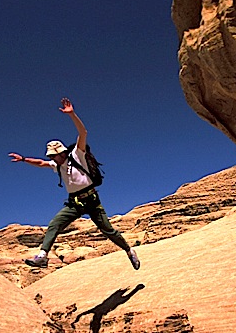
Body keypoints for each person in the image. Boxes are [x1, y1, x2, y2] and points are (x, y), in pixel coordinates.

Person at [8, 97, 140, 270]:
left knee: (108, 230)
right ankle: (42, 256)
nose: (51, 159)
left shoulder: (77, 155)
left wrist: (72, 114)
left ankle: (129, 251)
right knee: (55, 224)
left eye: (53, 155)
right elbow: (40, 163)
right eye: (50, 156)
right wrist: (24, 159)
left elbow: (83, 133)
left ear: (62, 153)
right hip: (74, 202)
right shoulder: (57, 165)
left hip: (91, 200)